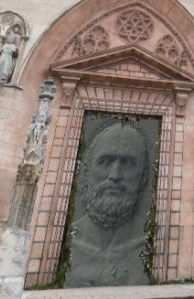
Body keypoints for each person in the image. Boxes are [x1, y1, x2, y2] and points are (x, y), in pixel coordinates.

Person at [64, 123, 152, 288]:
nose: (115, 175)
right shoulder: (68, 241)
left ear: (143, 176)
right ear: (86, 171)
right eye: (105, 161)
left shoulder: (150, 244)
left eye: (128, 163)